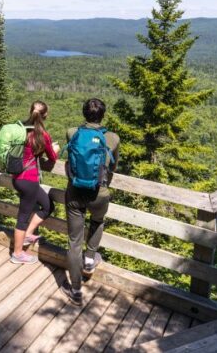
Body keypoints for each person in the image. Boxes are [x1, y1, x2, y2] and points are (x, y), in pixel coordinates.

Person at [61, 98, 120, 305]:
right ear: (103, 115)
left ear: (84, 113)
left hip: (75, 192)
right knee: (98, 221)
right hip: (99, 193)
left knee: (73, 241)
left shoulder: (72, 132)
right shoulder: (112, 138)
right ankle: (90, 258)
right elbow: (113, 167)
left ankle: (75, 290)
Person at [10, 100, 58, 264]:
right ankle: (17, 253)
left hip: (17, 178)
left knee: (48, 206)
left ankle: (28, 235)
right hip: (29, 180)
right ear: (45, 116)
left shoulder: (20, 130)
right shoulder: (42, 135)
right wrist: (55, 149)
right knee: (22, 218)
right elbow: (52, 157)